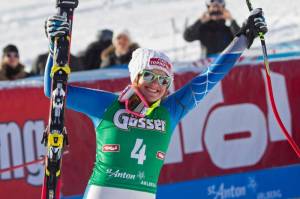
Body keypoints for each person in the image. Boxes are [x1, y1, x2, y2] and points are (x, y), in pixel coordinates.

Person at [44, 8, 267, 199]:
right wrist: (55, 47)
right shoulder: (107, 105)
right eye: (150, 76)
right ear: (135, 77)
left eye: (164, 80)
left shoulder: (170, 110)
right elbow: (54, 91)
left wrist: (245, 37)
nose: (156, 85)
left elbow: (210, 76)